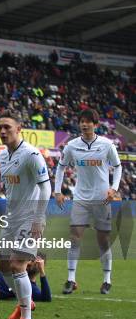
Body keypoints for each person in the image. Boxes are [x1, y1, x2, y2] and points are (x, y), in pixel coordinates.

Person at [54, 109, 122, 295]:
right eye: (82, 121)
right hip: (81, 199)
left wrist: (113, 188)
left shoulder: (107, 145)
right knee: (75, 238)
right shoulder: (71, 146)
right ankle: (70, 279)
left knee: (103, 240)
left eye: (88, 122)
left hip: (102, 199)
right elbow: (60, 168)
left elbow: (117, 167)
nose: (84, 124)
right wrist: (57, 191)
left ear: (96, 124)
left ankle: (107, 280)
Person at [0, 110, 51, 319]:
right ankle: (23, 303)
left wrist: (38, 218)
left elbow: (45, 186)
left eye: (7, 127)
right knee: (2, 264)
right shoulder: (2, 156)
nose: (2, 131)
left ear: (19, 129)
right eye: (0, 127)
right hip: (12, 218)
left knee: (18, 264)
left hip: (30, 218)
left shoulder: (32, 155)